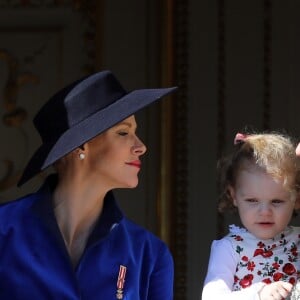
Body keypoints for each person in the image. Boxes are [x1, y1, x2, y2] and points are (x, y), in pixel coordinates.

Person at [0, 70, 177, 299]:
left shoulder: (149, 255)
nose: (141, 146)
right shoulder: (5, 231)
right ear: (81, 145)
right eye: (123, 132)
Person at [202, 132, 300, 300]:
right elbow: (212, 297)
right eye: (252, 200)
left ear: (296, 199)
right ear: (233, 196)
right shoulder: (229, 248)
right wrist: (259, 294)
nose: (265, 212)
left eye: (276, 201)